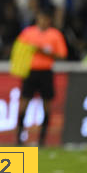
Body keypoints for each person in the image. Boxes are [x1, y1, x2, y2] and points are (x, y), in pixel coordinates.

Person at [15, 8, 67, 146]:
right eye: (41, 18)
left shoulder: (55, 34)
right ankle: (20, 139)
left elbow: (62, 55)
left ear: (49, 20)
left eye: (45, 19)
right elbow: (18, 49)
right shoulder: (28, 33)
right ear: (38, 19)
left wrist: (45, 52)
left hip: (46, 72)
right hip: (30, 72)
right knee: (24, 104)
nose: (43, 21)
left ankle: (42, 140)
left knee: (47, 106)